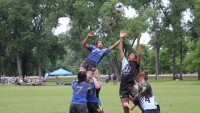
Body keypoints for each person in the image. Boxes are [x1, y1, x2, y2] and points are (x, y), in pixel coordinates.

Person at [119, 32, 141, 113]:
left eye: (132, 55)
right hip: (123, 88)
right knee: (125, 107)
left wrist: (138, 42)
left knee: (139, 99)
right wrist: (121, 38)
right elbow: (120, 49)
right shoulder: (125, 62)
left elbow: (138, 54)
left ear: (135, 59)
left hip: (131, 86)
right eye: (130, 55)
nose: (129, 56)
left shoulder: (136, 64)